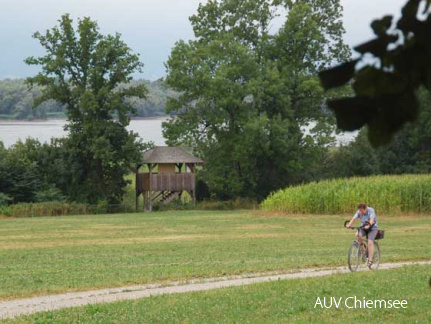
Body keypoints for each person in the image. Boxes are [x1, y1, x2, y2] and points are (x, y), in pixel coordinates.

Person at [346, 203, 379, 269]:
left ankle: (370, 260)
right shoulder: (359, 212)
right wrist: (349, 224)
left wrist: (369, 225)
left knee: (370, 242)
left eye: (362, 211)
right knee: (357, 234)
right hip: (364, 227)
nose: (361, 212)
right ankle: (362, 248)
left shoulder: (371, 210)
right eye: (360, 211)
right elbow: (354, 218)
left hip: (372, 228)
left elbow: (372, 220)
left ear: (365, 209)